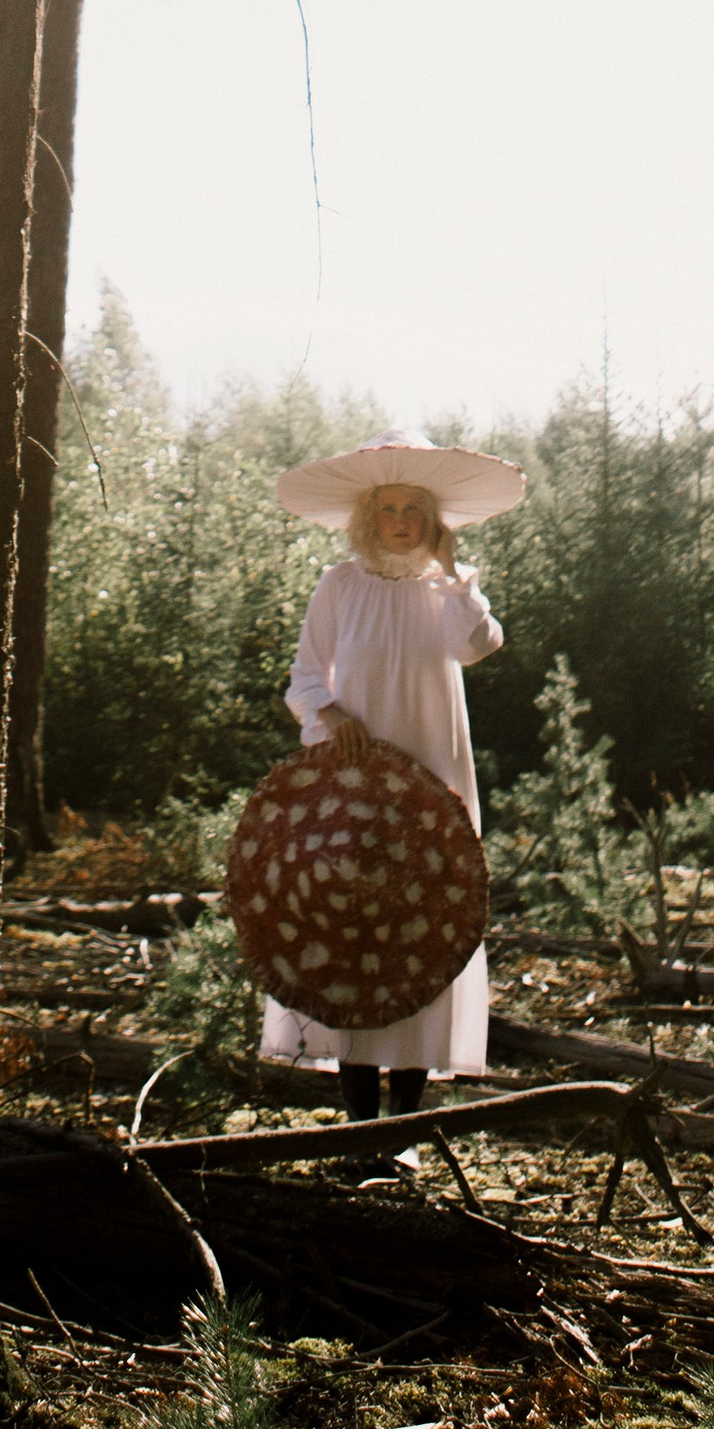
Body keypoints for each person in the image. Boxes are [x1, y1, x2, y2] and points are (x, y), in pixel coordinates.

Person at [263, 428, 527, 1127]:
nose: (402, 521)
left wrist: (451, 573)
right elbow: (304, 680)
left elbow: (478, 647)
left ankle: (404, 1129)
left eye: (415, 509)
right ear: (367, 516)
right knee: (352, 925)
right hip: (353, 783)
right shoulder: (339, 586)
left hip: (435, 776)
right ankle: (358, 1126)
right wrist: (329, 712)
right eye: (390, 509)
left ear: (433, 520)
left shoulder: (449, 592)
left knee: (424, 922)